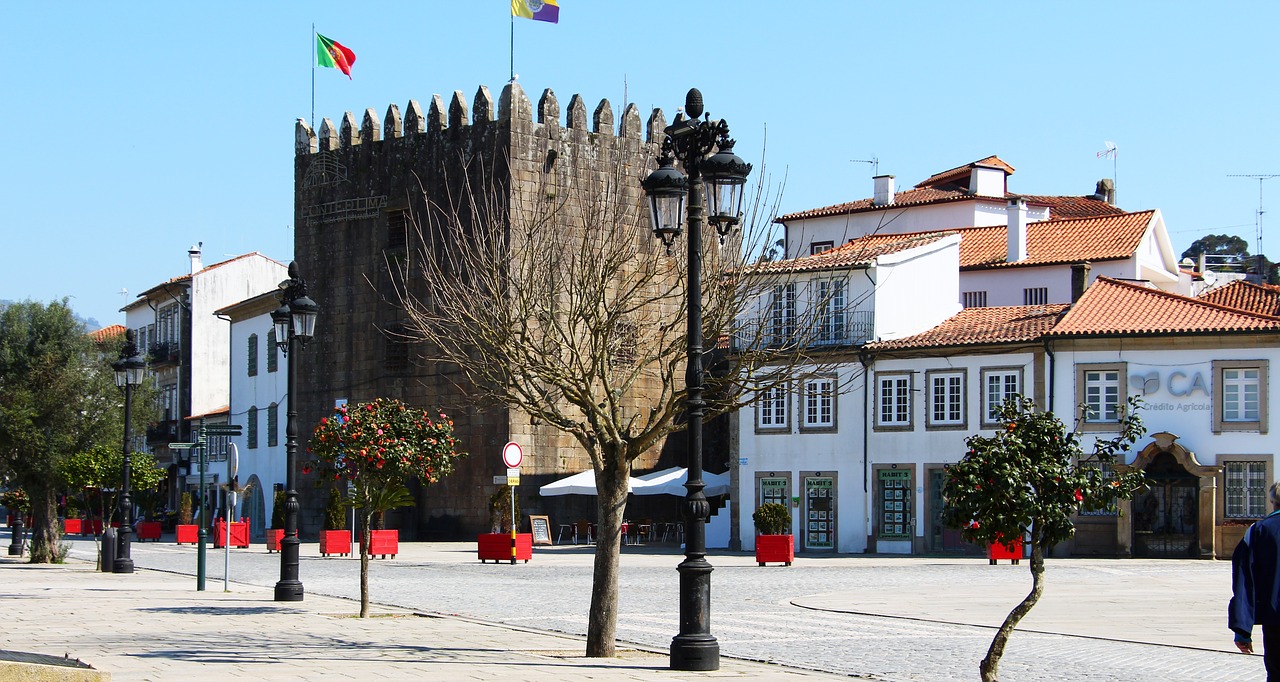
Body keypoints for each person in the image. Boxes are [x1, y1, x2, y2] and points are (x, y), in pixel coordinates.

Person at [1230, 481, 1280, 679]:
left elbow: (1244, 580)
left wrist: (1242, 629)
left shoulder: (1258, 531)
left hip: (1275, 619)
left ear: (1271, 501)